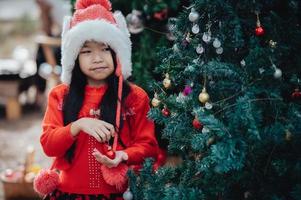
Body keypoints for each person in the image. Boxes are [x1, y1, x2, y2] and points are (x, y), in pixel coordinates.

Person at [40, 0, 159, 199]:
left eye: (105, 49)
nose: (97, 58)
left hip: (118, 194)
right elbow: (48, 145)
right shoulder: (60, 95)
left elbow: (149, 147)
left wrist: (124, 155)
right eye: (86, 51)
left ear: (117, 54)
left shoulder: (135, 97)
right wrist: (77, 126)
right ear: (74, 58)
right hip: (68, 193)